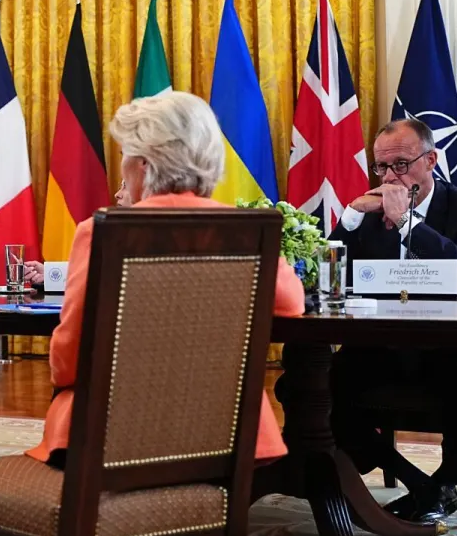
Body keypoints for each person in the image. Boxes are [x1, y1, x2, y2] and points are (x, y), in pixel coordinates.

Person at [27, 92, 306, 469]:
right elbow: (292, 305)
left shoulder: (101, 232)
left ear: (143, 164)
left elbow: (73, 350)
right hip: (227, 434)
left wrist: (61, 381)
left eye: (125, 153)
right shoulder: (246, 231)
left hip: (110, 436)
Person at [325, 117, 457, 524]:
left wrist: (410, 223)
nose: (390, 176)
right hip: (385, 345)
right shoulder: (372, 209)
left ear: (430, 160)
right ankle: (423, 486)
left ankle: (446, 481)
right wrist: (350, 218)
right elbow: (333, 277)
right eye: (381, 167)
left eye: (401, 164)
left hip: (455, 346)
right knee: (322, 381)